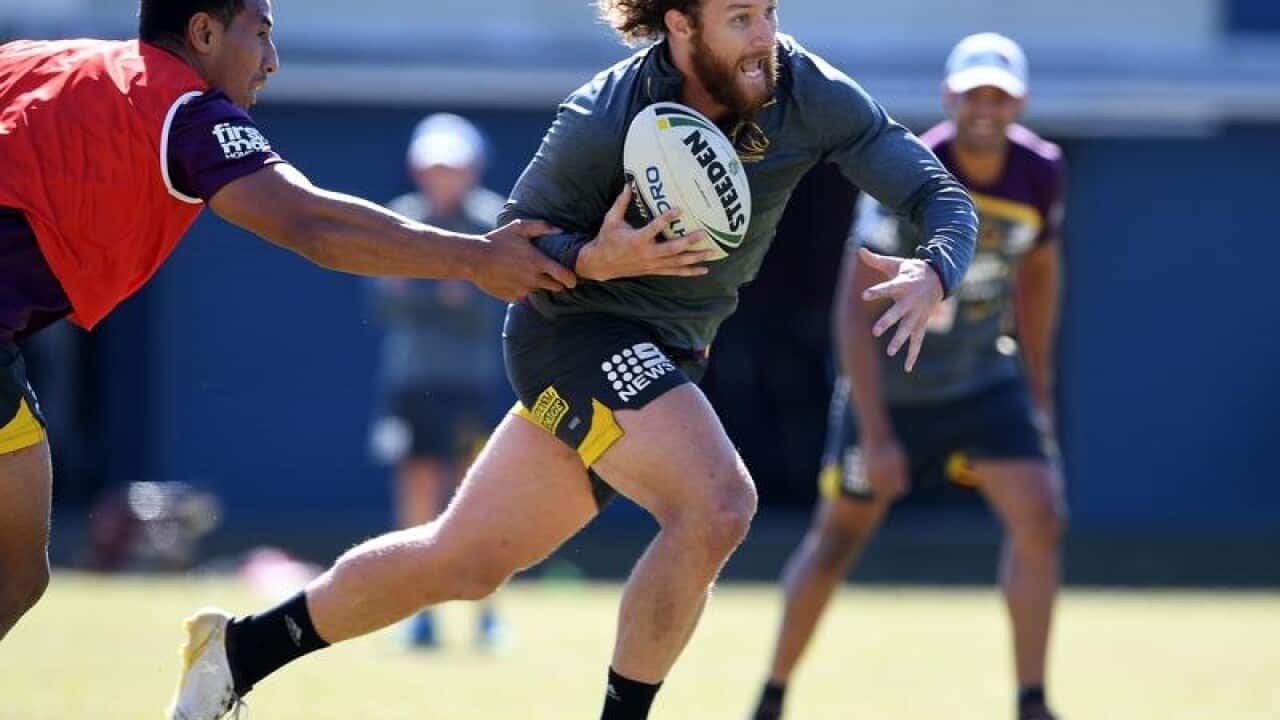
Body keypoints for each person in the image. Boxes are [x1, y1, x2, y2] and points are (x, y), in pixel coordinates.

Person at [169, 2, 977, 718]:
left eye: (768, 12)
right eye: (739, 18)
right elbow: (508, 249)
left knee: (464, 561)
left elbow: (937, 194)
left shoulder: (807, 90)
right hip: (571, 332)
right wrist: (595, 256)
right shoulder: (606, 112)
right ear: (680, 25)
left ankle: (236, 654)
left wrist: (936, 266)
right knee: (718, 504)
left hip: (670, 352)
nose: (764, 36)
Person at [0, 0, 580, 645]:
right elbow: (311, 222)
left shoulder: (43, 59)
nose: (272, 61)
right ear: (203, 32)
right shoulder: (183, 106)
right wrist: (475, 258)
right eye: (263, 34)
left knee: (18, 569)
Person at [750, 32, 1067, 720]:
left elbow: (1039, 273)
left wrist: (1037, 391)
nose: (985, 108)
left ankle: (1033, 700)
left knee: (1041, 513)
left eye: (999, 96)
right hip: (894, 384)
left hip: (985, 377)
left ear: (1020, 104)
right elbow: (851, 301)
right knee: (837, 538)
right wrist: (877, 427)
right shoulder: (913, 171)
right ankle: (771, 694)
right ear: (950, 98)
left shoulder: (1041, 172)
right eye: (973, 94)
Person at [368, 113, 509, 649]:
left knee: (476, 494)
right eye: (433, 167)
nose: (442, 177)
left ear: (471, 169)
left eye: (452, 167)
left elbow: (485, 305)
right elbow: (385, 299)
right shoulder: (400, 219)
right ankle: (417, 613)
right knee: (416, 492)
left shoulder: (492, 221)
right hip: (411, 382)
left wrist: (431, 292)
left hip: (469, 384)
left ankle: (486, 616)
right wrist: (449, 290)